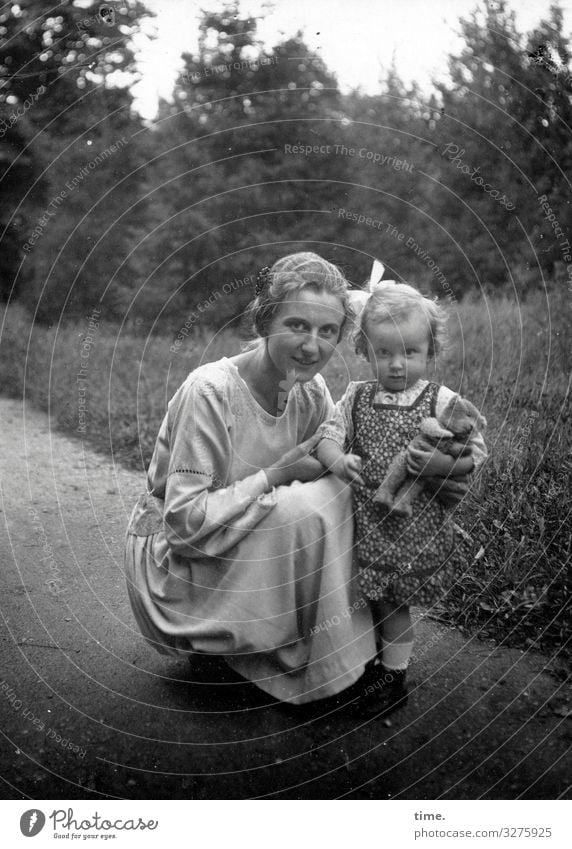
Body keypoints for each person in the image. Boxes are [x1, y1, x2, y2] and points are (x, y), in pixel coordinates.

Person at [124, 252, 473, 712]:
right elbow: (183, 525)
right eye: (297, 325)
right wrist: (278, 473)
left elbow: (354, 462)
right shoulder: (209, 391)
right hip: (178, 561)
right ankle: (217, 638)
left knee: (344, 490)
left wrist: (440, 466)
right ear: (265, 321)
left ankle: (332, 654)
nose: (312, 346)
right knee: (299, 508)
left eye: (327, 331)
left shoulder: (309, 390)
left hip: (241, 541)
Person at [316, 274, 487, 718]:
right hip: (367, 522)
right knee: (366, 596)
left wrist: (444, 466)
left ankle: (394, 676)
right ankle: (370, 661)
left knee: (394, 602)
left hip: (413, 526)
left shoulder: (440, 400)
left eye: (409, 352)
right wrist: (337, 460)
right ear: (364, 351)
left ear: (431, 350)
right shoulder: (356, 396)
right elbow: (328, 436)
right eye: (383, 352)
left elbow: (476, 452)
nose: (396, 364)